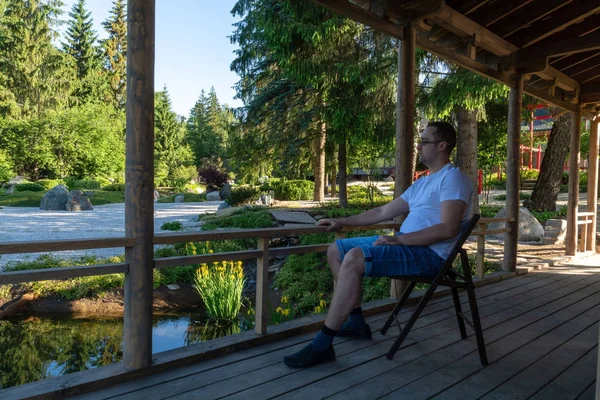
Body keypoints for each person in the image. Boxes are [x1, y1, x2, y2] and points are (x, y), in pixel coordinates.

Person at [283, 121, 473, 368]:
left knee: (354, 257)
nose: (418, 146)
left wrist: (399, 239)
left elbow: (448, 228)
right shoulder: (424, 182)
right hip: (406, 245)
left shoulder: (453, 179)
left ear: (442, 145)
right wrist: (344, 222)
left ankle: (322, 345)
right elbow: (384, 210)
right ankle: (357, 321)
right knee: (336, 251)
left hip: (429, 255)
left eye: (424, 141)